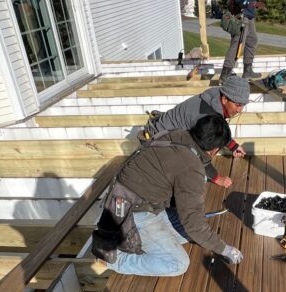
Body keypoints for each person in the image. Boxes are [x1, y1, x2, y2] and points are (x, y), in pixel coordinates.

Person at [91, 114, 243, 277]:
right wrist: (225, 249)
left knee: (189, 232)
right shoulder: (191, 168)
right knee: (178, 263)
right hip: (133, 214)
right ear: (214, 150)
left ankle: (150, 243)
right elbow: (194, 224)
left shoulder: (174, 135)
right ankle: (116, 260)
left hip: (127, 201)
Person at [143, 75, 250, 189]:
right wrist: (216, 178)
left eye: (243, 105)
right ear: (224, 99)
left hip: (169, 133)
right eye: (237, 105)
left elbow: (218, 131)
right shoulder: (205, 115)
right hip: (159, 143)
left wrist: (233, 146)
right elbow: (201, 153)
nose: (240, 110)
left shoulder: (215, 97)